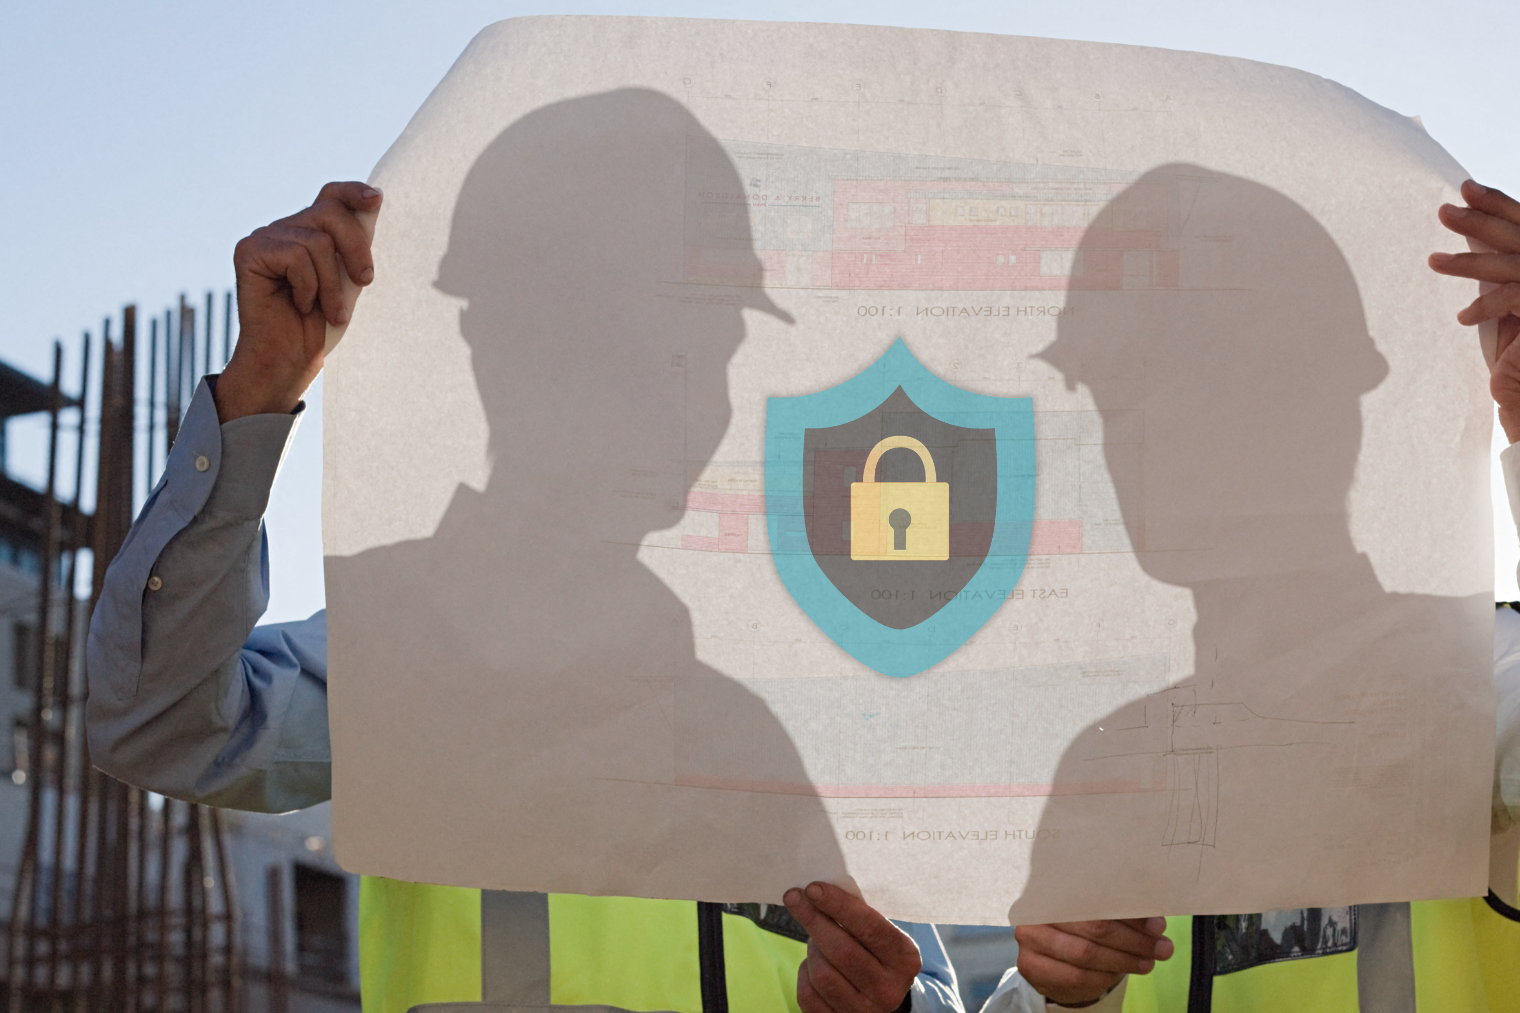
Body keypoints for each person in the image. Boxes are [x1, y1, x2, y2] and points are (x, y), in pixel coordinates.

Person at [84, 91, 961, 1013]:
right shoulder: (426, 641)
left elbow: (932, 984)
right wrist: (257, 394)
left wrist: (895, 1005)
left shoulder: (791, 694)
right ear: (517, 348)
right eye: (660, 348)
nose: (701, 400)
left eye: (715, 350)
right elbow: (159, 722)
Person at [982, 179, 1520, 1013]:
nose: (1149, 439)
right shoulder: (1107, 754)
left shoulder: (1462, 672)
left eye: (1203, 387)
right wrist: (1055, 989)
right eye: (1123, 400)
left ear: (1332, 403)